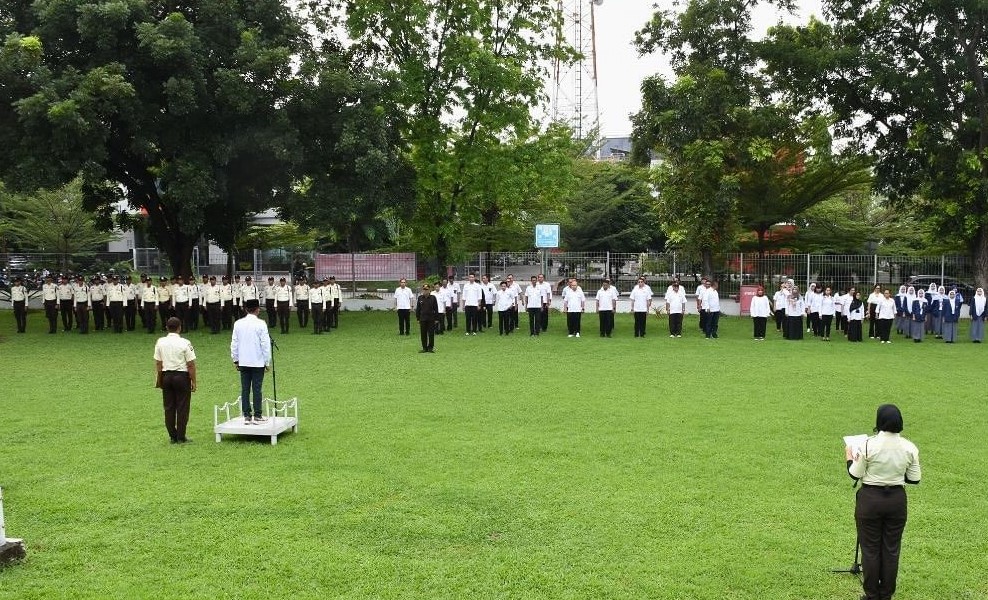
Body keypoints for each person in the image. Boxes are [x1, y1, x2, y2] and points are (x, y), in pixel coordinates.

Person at [845, 404, 921, 600]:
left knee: (870, 548)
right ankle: (886, 594)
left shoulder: (868, 445)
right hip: (896, 501)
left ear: (879, 421)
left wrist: (849, 456)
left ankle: (871, 595)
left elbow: (855, 474)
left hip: (870, 500)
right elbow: (914, 479)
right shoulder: (909, 447)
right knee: (891, 549)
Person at [153, 317, 197, 443]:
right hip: (181, 376)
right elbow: (191, 364)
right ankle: (181, 436)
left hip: (167, 376)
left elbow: (158, 363)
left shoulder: (160, 342)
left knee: (169, 407)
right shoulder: (185, 342)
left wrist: (160, 378)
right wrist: (193, 381)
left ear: (167, 327)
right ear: (180, 328)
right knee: (182, 407)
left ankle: (172, 435)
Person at [230, 300, 272, 424]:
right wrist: (267, 361)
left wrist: (235, 359)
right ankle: (258, 414)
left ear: (246, 309)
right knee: (257, 388)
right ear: (257, 309)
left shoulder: (238, 323)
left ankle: (247, 415)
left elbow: (234, 343)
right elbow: (265, 344)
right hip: (257, 361)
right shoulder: (261, 324)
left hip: (243, 361)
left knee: (245, 389)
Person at [414, 283, 439, 352]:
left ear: (429, 290)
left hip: (431, 319)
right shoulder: (420, 298)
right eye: (424, 290)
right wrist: (418, 318)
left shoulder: (433, 298)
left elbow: (436, 308)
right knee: (423, 334)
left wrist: (436, 318)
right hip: (422, 319)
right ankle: (424, 348)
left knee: (431, 334)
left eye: (427, 290)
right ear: (422, 290)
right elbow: (418, 309)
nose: (425, 291)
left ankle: (430, 348)